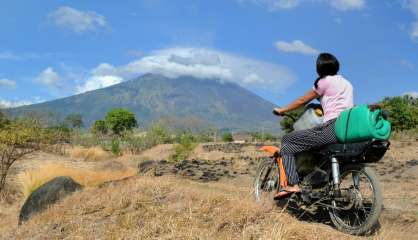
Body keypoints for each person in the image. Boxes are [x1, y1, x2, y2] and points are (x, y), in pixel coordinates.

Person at [273, 52, 353, 200]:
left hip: (331, 128)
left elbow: (302, 100)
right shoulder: (347, 84)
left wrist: (282, 110)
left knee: (287, 141)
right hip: (347, 129)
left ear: (319, 68)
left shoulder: (324, 82)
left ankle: (292, 184)